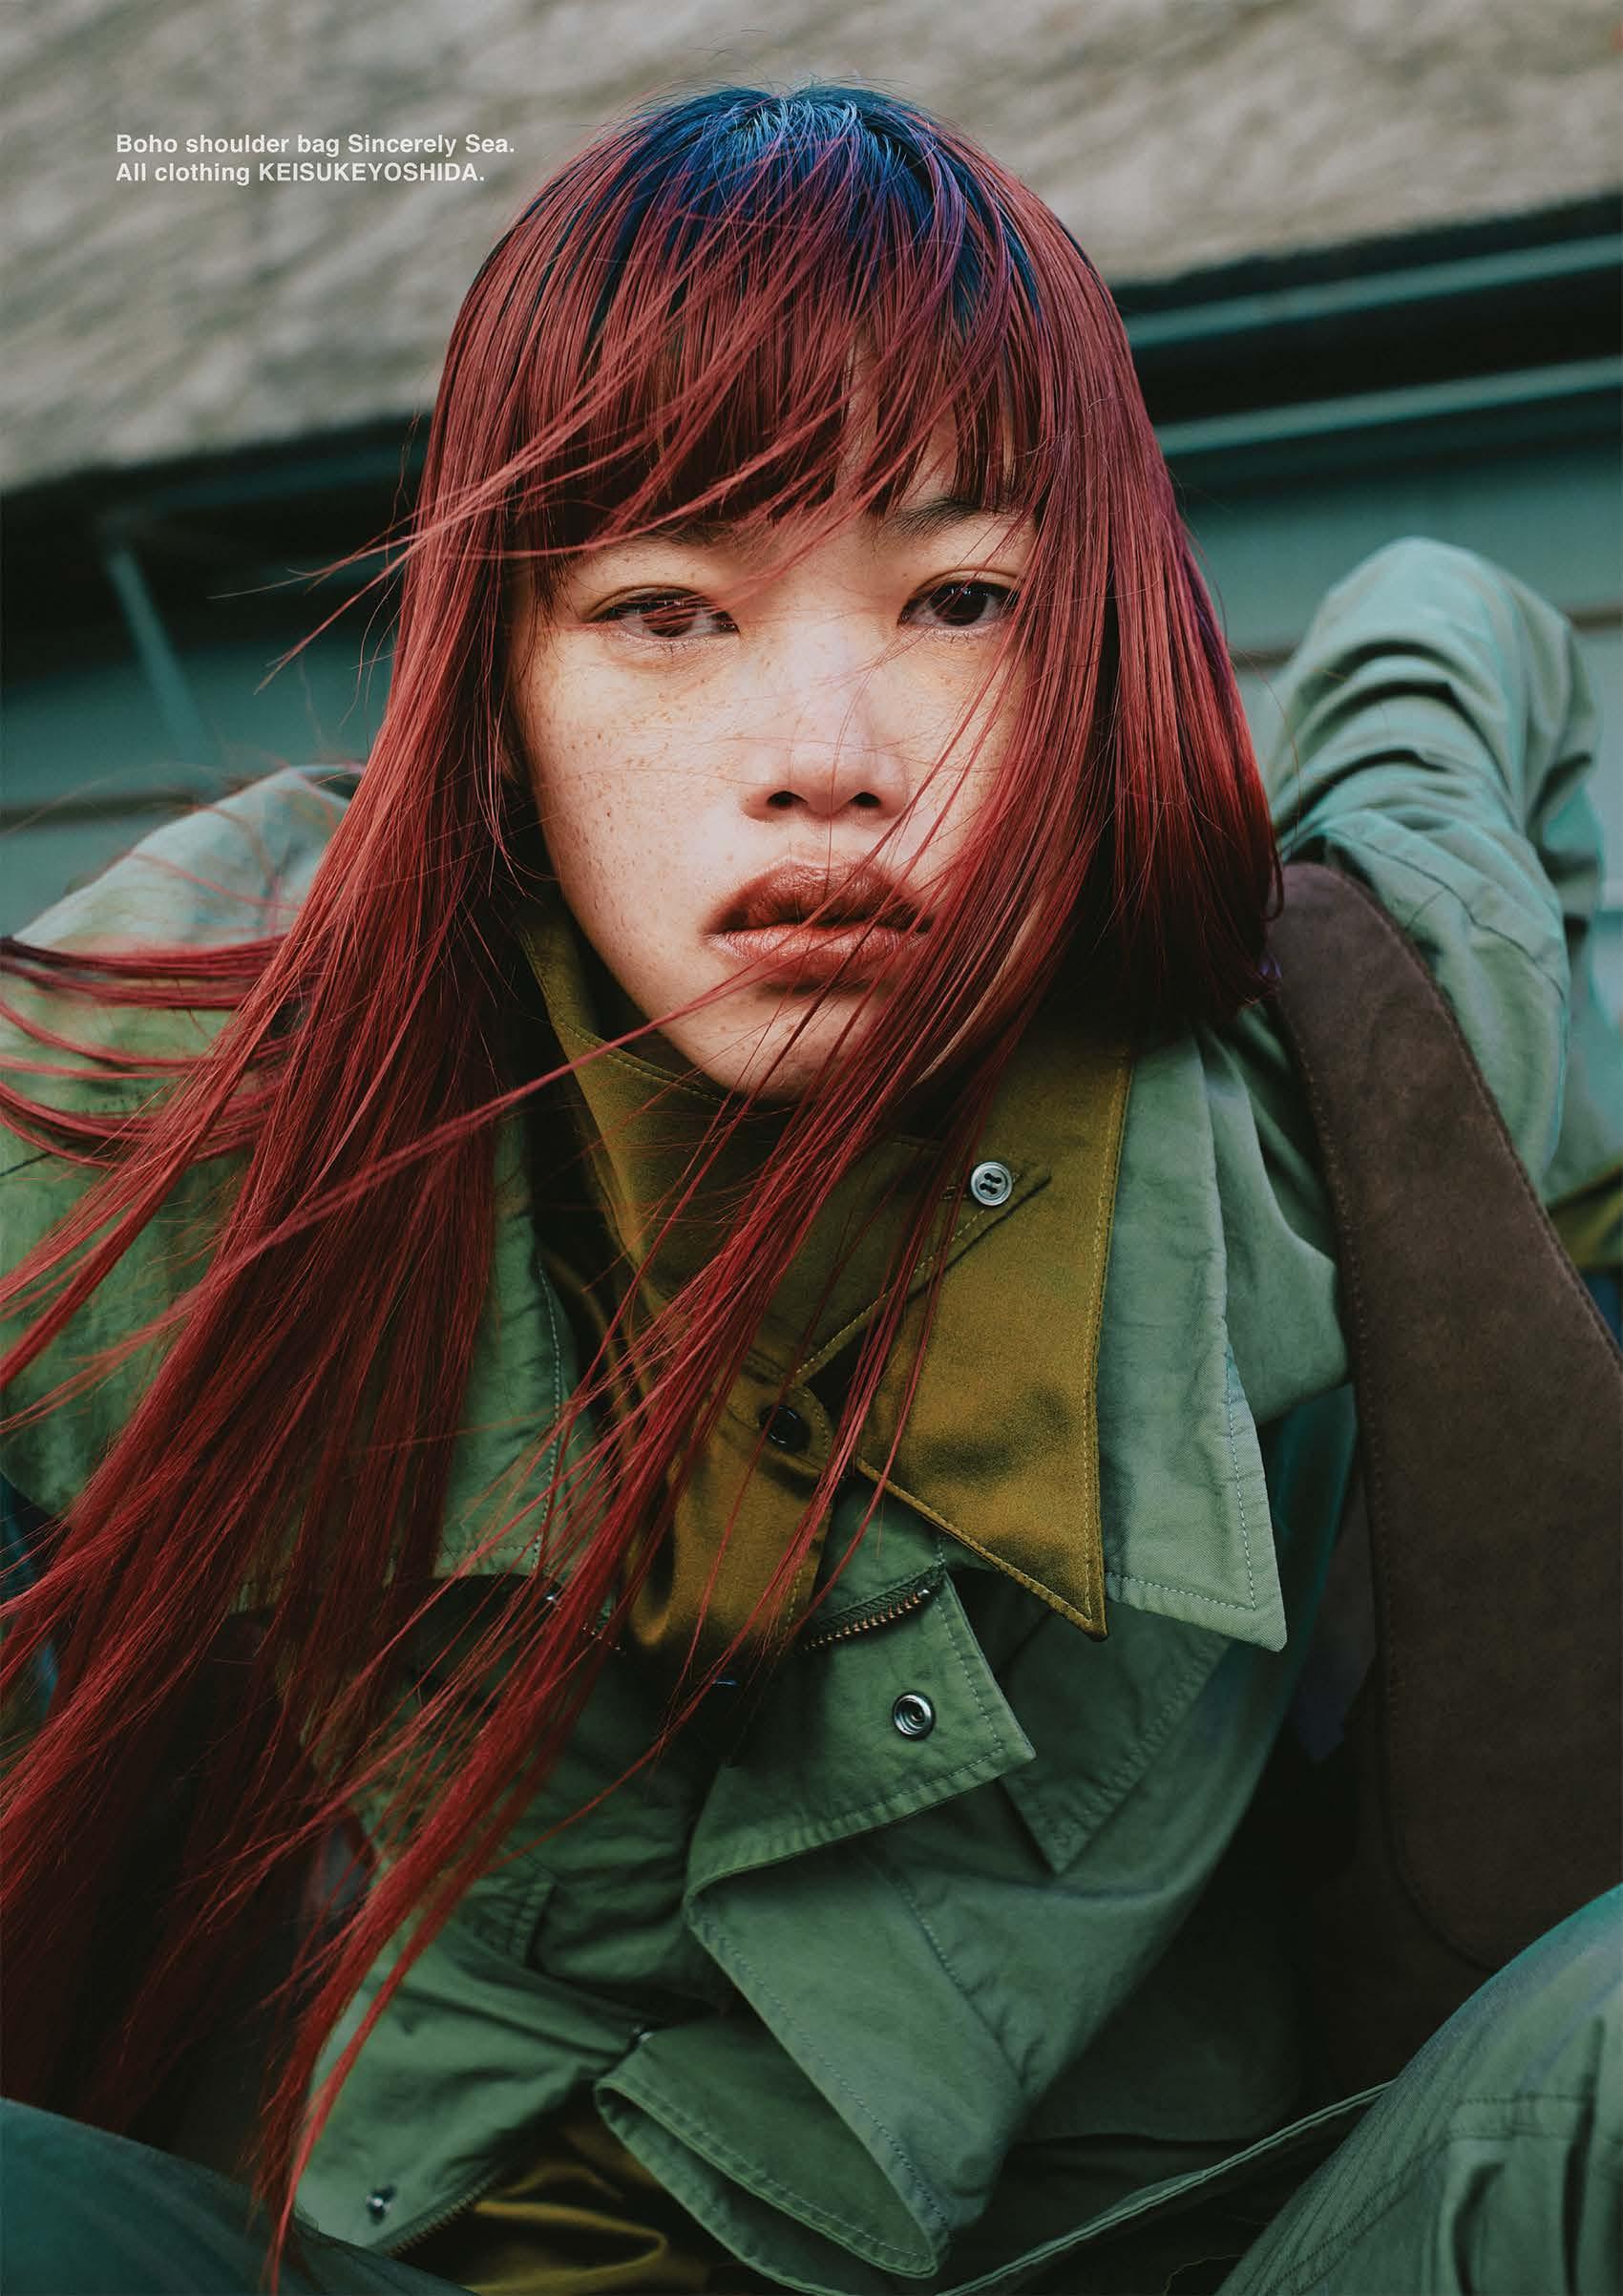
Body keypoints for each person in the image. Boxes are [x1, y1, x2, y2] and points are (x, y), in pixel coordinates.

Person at [1, 83, 1617, 2296]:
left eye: (960, 600)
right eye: (669, 612)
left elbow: (1457, 639)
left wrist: (1529, 1181)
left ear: (1097, 660)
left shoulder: (1320, 1068)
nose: (827, 759)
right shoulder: (194, 1091)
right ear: (501, 697)